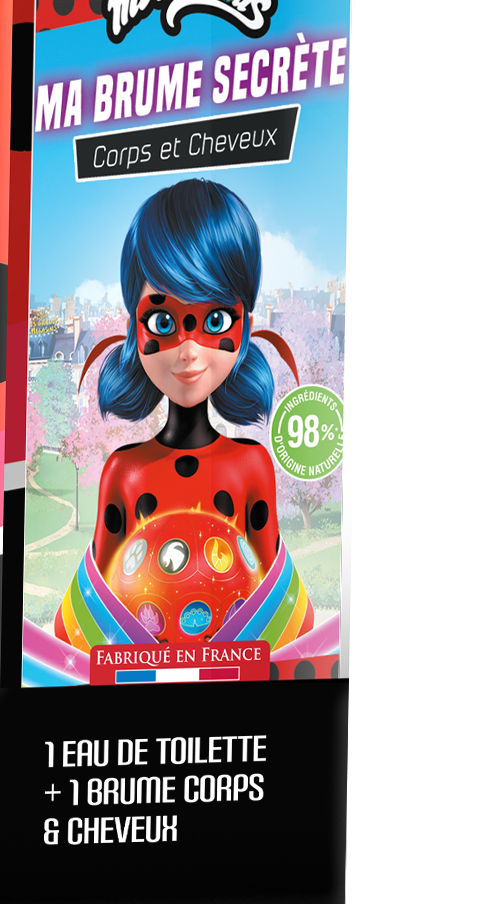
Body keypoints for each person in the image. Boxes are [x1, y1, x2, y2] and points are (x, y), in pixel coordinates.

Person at [53, 178, 313, 652]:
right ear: (134, 329)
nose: (189, 351)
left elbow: (281, 606)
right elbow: (87, 616)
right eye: (163, 322)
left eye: (215, 320)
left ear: (245, 326)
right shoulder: (124, 472)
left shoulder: (251, 466)